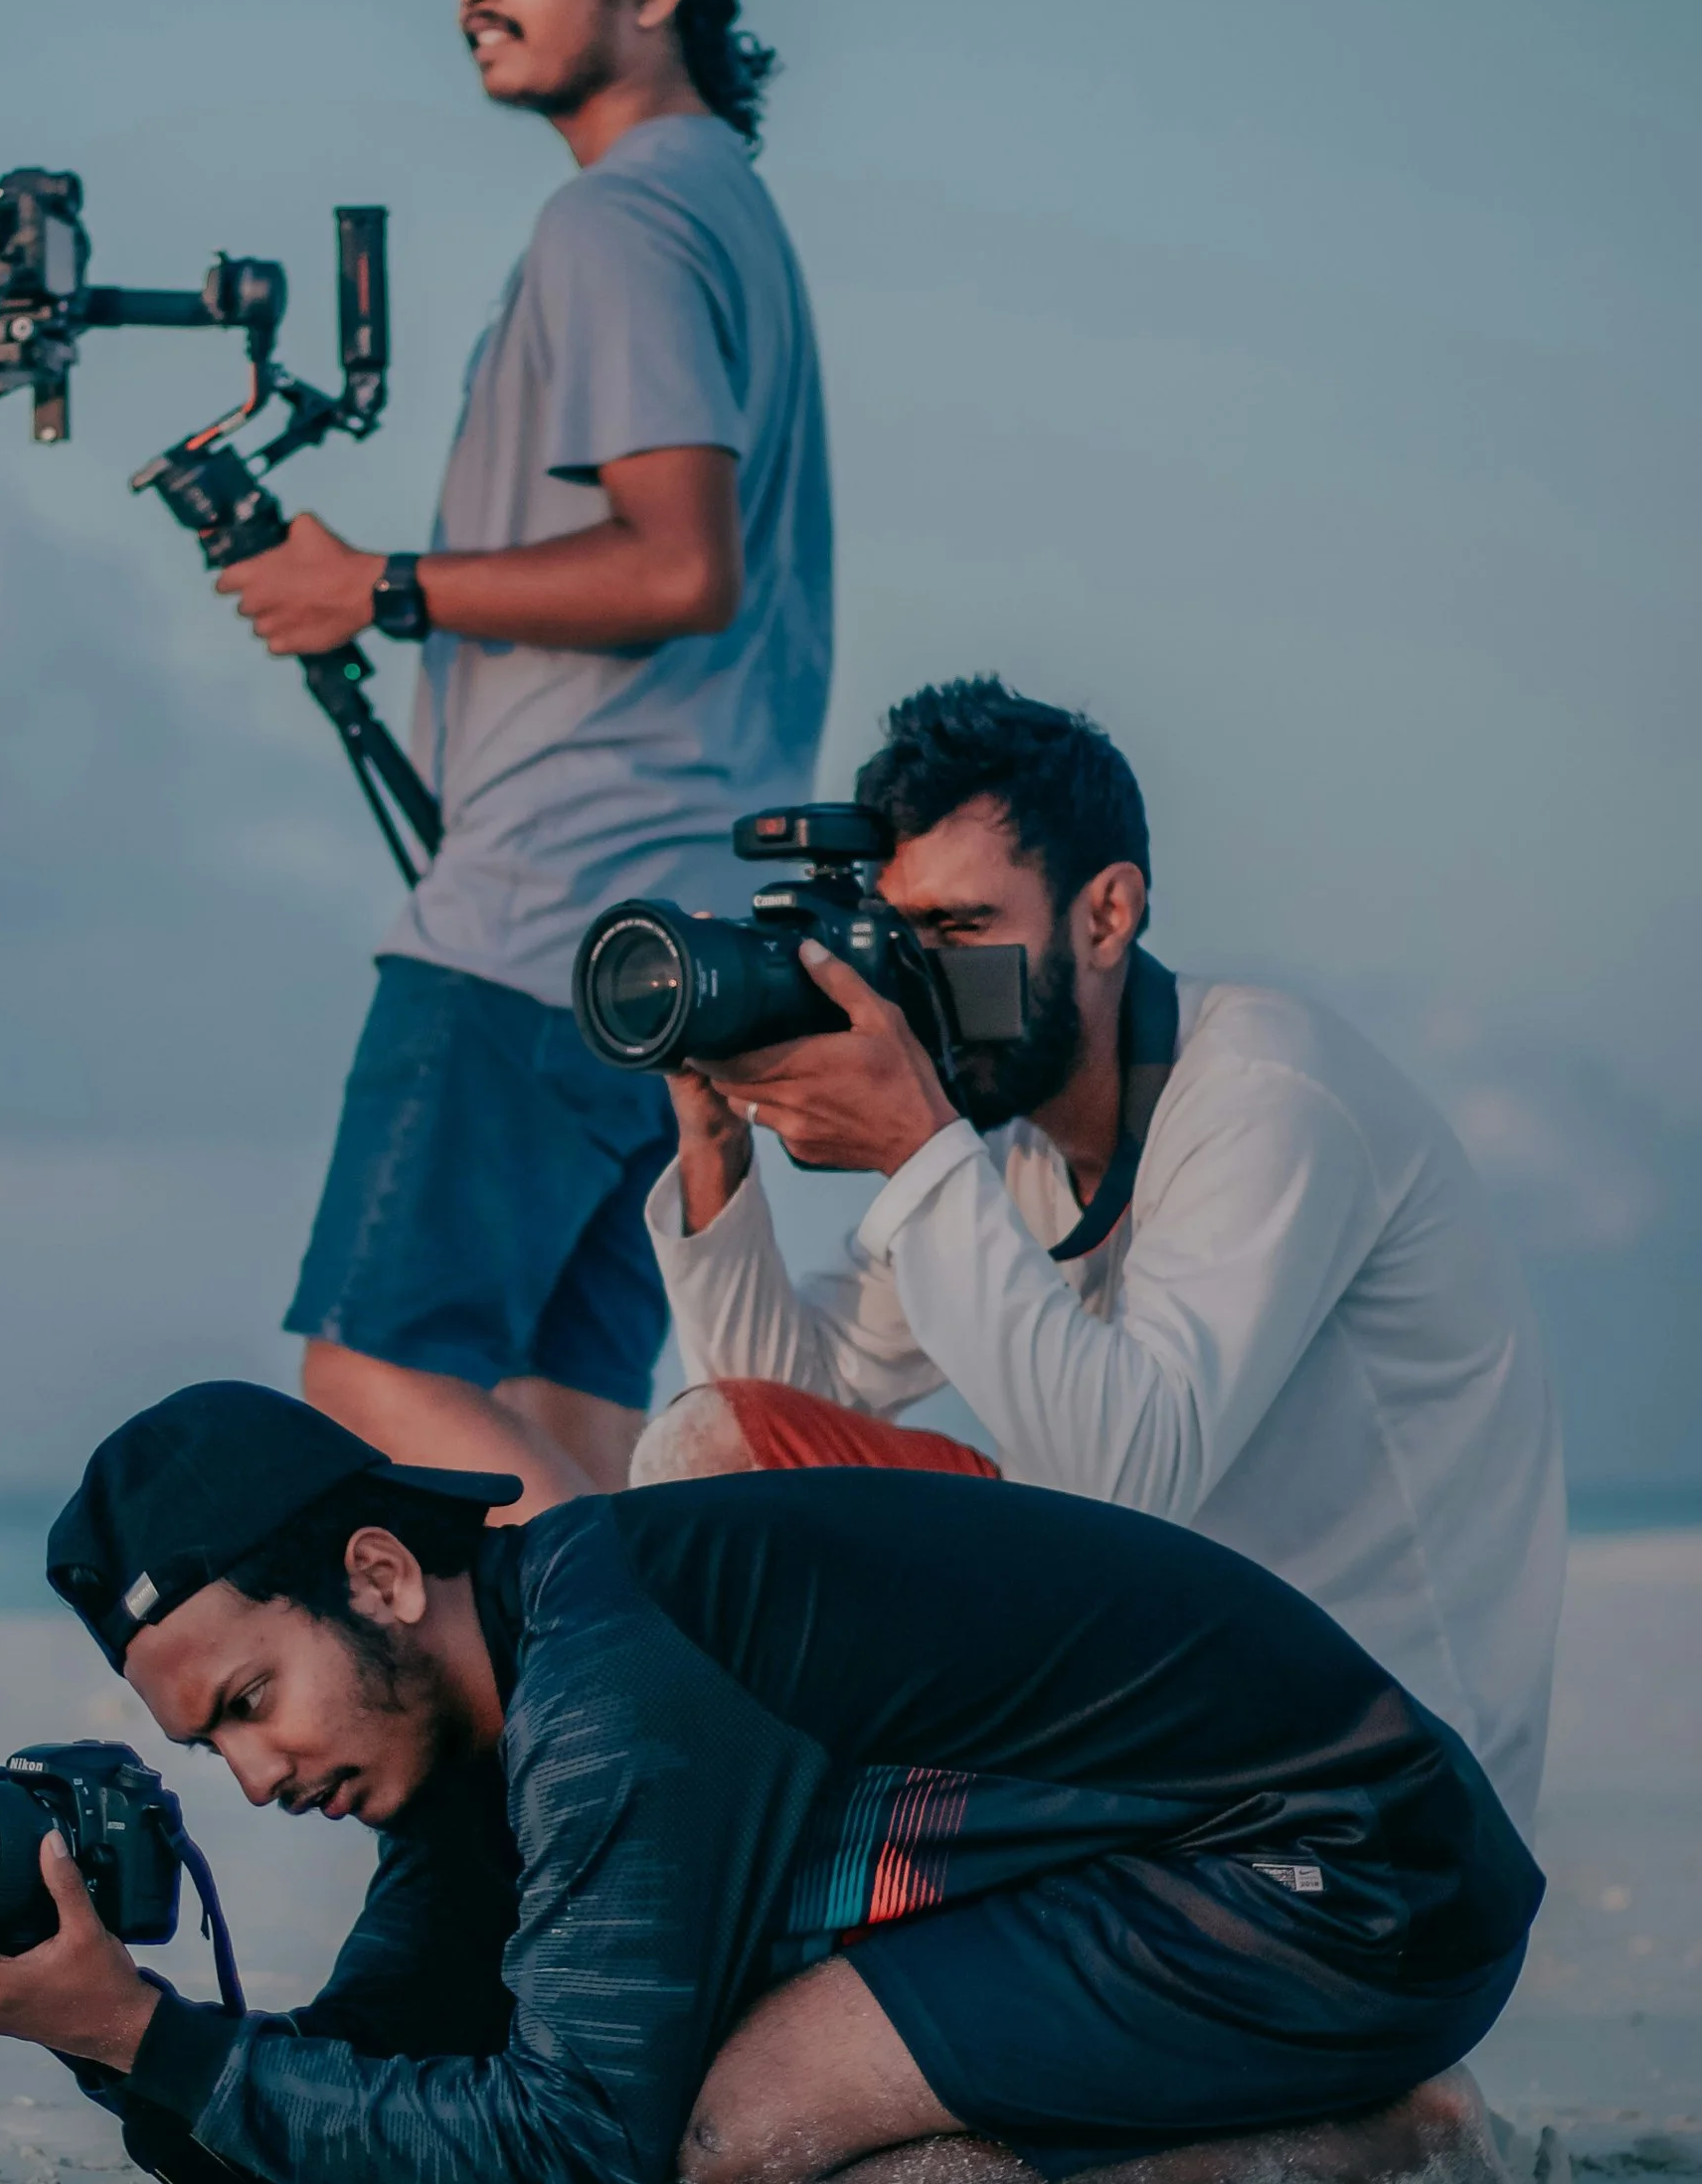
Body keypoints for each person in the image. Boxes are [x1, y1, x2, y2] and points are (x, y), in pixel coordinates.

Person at [0, 1382, 1543, 2184]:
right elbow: (359, 2089)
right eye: (212, 1750)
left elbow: (574, 2151)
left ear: (383, 1577)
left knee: (753, 2133)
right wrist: (93, 2019)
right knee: (742, 2096)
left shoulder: (613, 1676)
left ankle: (1389, 2150)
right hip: (1230, 1865)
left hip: (1342, 1876)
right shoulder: (498, 1716)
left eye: (251, 1703)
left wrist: (152, 2040)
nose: (256, 1779)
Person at [633, 679, 1566, 1832]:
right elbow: (773, 1424)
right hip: (1168, 1681)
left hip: (1375, 1757)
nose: (920, 982)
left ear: (1106, 915)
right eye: (898, 934)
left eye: (961, 932)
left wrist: (914, 1149)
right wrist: (715, 1142)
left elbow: (1126, 1478)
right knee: (709, 1458)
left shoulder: (1264, 1093)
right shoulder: (1015, 1142)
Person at [223, 0, 832, 1514]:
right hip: (669, 930)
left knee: (375, 1373)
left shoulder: (620, 222)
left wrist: (379, 589)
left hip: (550, 899)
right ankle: (698, 1748)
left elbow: (678, 560)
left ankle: (664, 1733)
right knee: (566, 1421)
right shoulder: (725, 209)